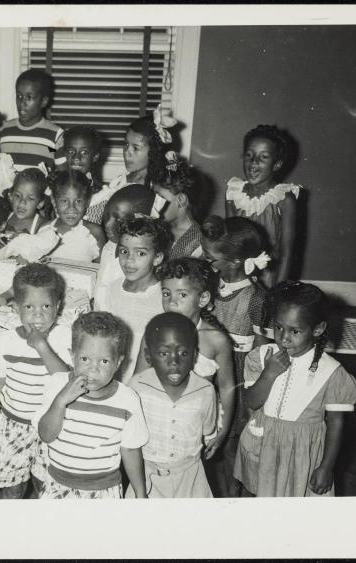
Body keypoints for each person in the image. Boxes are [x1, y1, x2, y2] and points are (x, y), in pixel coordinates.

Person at [235, 282, 356, 497]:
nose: (283, 338)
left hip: (302, 456)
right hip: (262, 447)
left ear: (317, 329)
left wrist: (326, 467)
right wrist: (269, 374)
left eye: (295, 331)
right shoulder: (261, 357)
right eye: (278, 327)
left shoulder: (332, 373)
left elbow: (336, 424)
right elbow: (251, 402)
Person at [133, 258, 236, 492]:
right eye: (166, 293)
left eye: (182, 295)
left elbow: (228, 387)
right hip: (155, 422)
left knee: (186, 480)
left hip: (193, 426)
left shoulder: (215, 340)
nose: (171, 302)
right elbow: (137, 380)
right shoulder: (154, 331)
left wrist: (223, 430)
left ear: (203, 299)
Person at [35, 311, 149, 499]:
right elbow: (46, 435)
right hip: (57, 484)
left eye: (104, 361)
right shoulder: (57, 385)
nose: (93, 369)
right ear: (72, 356)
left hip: (104, 490)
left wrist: (141, 493)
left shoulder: (128, 400)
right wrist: (61, 400)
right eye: (85, 359)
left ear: (118, 362)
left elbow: (130, 449)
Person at [0, 264, 72, 498]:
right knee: (12, 487)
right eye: (29, 307)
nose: (38, 315)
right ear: (15, 308)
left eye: (46, 306)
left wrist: (42, 346)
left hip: (51, 427)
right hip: (12, 425)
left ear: (58, 307)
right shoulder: (5, 340)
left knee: (47, 486)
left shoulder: (63, 337)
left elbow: (66, 382)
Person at [201, 215, 271, 496]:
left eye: (211, 258)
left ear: (235, 261)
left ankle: (233, 495)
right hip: (208, 367)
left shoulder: (255, 297)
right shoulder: (210, 285)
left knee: (231, 440)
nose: (207, 262)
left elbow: (263, 349)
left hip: (239, 376)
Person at [128, 312, 217, 498]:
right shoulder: (137, 388)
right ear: (148, 356)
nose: (174, 362)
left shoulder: (205, 391)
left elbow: (208, 433)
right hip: (147, 479)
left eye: (183, 353)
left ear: (194, 355)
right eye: (164, 353)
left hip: (191, 479)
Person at [95, 215, 172, 381]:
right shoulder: (112, 288)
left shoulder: (163, 298)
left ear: (157, 258)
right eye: (124, 251)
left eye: (140, 253)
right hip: (110, 377)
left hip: (145, 381)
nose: (129, 260)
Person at [226, 124, 301, 285]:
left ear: (276, 164)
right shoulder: (234, 194)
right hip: (239, 274)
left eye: (263, 157)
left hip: (269, 276)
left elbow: (286, 252)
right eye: (249, 155)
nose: (253, 162)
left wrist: (278, 292)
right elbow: (230, 244)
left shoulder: (284, 199)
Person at [85, 106, 175, 223]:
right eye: (126, 144)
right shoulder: (121, 180)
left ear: (154, 152)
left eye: (136, 148)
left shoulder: (158, 192)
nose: (127, 152)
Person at [93, 183, 159, 305]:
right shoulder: (109, 246)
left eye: (118, 219)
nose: (107, 224)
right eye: (106, 215)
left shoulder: (139, 264)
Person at [0, 69, 65, 173]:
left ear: (43, 101)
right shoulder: (3, 131)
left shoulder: (56, 135)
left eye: (29, 97)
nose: (22, 103)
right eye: (19, 96)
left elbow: (63, 175)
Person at [39, 169, 106, 263]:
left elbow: (102, 269)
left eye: (78, 201)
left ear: (87, 202)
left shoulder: (95, 232)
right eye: (64, 201)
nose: (71, 208)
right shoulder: (44, 229)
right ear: (54, 201)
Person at [154, 154, 204, 260]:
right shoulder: (157, 228)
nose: (154, 203)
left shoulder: (200, 243)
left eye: (160, 197)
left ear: (181, 200)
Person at [4, 168, 51, 237]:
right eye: (18, 196)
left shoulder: (42, 226)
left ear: (40, 204)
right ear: (10, 196)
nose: (22, 202)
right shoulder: (4, 217)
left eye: (30, 198)